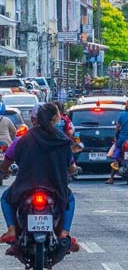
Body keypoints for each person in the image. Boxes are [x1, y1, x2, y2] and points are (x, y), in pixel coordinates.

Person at [0, 103, 79, 254]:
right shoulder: (62, 140)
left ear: (33, 119)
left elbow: (6, 163)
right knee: (70, 200)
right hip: (56, 188)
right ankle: (64, 233)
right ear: (55, 119)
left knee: (5, 199)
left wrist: (4, 170)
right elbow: (71, 167)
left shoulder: (22, 140)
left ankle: (11, 230)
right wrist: (74, 170)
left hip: (24, 187)